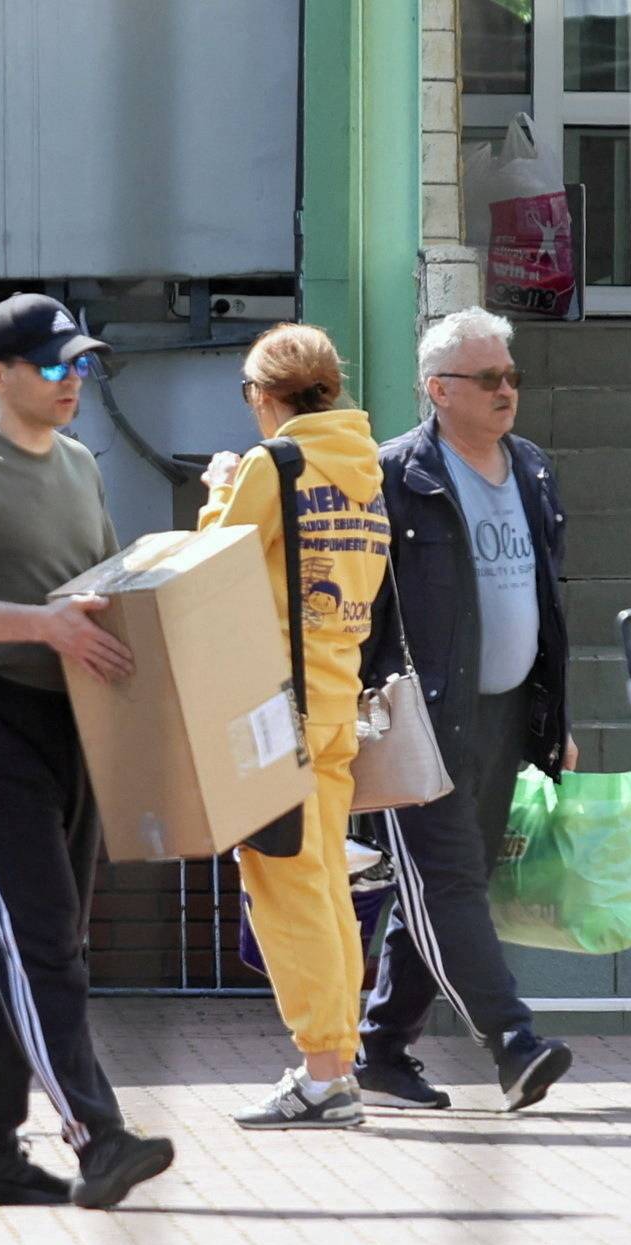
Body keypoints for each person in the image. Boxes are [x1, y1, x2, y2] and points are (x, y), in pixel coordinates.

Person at [0, 293, 176, 1209]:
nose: (74, 382)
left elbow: (94, 592)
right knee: (40, 947)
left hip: (74, 721)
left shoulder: (83, 465)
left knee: (33, 945)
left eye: (82, 365)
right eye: (55, 366)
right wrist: (41, 628)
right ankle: (99, 1138)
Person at [353, 307, 574, 1113]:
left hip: (508, 716)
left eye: (511, 374)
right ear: (437, 389)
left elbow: (549, 603)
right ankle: (512, 1042)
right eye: (488, 378)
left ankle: (379, 1050)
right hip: (420, 721)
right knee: (444, 882)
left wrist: (556, 721)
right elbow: (360, 608)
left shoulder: (535, 471)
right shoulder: (393, 477)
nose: (506, 389)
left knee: (455, 885)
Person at [196, 325, 390, 1128]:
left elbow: (213, 566)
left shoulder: (273, 465)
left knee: (284, 886)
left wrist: (216, 490)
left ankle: (323, 1070)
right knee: (322, 886)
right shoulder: (362, 468)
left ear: (266, 394)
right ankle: (335, 1061)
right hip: (337, 700)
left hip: (275, 712)